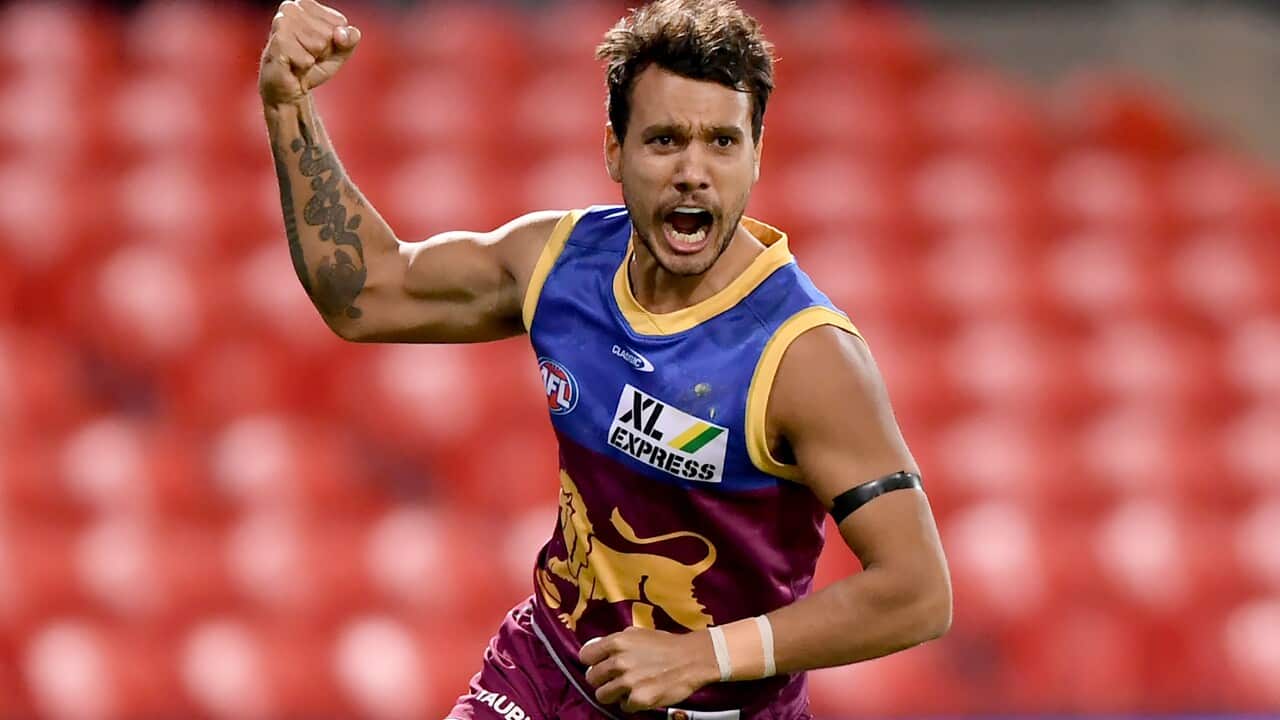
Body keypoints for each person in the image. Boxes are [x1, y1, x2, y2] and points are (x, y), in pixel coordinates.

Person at [259, 0, 952, 718]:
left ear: (756, 153)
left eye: (722, 141)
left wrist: (705, 654)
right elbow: (364, 293)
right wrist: (288, 105)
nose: (693, 172)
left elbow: (918, 592)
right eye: (664, 140)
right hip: (543, 670)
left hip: (716, 707)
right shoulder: (559, 264)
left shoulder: (803, 356)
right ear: (614, 150)